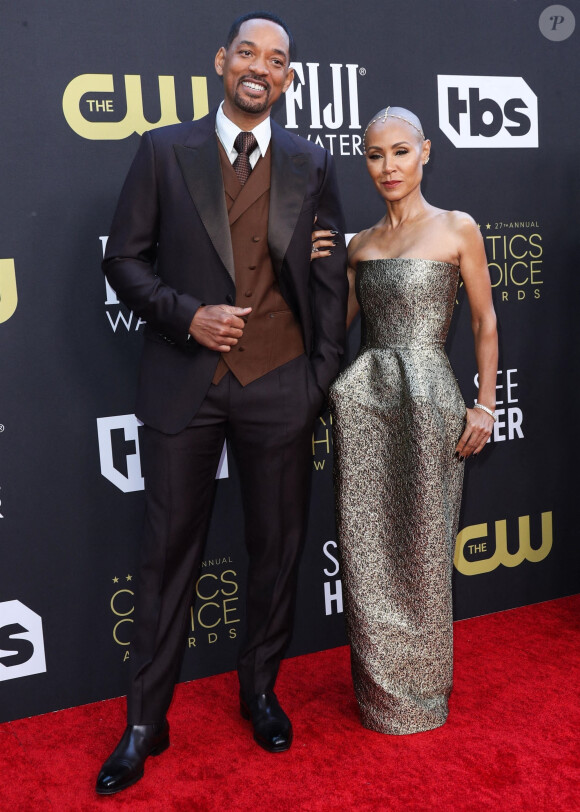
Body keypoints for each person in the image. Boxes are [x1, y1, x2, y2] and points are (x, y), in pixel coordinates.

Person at [96, 12, 347, 795]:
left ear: (288, 80)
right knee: (168, 556)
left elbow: (332, 276)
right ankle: (145, 719)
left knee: (277, 551)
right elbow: (124, 261)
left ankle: (261, 691)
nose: (260, 68)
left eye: (277, 61)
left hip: (281, 385)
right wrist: (185, 313)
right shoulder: (164, 151)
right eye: (248, 52)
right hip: (186, 382)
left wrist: (319, 382)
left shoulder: (313, 163)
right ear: (220, 61)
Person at [327, 106, 498, 735]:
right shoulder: (362, 245)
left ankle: (421, 696)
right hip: (368, 405)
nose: (388, 167)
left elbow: (485, 322)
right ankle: (378, 698)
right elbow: (333, 330)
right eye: (375, 155)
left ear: (425, 152)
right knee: (364, 548)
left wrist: (485, 403)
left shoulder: (458, 228)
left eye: (400, 152)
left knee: (423, 549)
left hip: (430, 402)